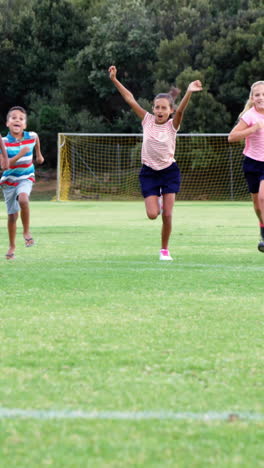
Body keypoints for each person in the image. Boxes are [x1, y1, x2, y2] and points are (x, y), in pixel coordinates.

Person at [108, 65, 203, 260]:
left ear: (170, 110)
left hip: (169, 172)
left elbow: (181, 111)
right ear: (153, 109)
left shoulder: (172, 125)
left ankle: (164, 250)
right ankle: (157, 200)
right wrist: (115, 80)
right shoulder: (147, 120)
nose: (160, 111)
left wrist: (188, 92)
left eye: (164, 108)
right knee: (153, 214)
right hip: (149, 172)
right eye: (157, 107)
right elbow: (130, 99)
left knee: (167, 214)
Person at [0, 106, 44, 260]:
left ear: (25, 125)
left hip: (26, 177)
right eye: (13, 118)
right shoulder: (3, 142)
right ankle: (12, 246)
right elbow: (4, 165)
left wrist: (38, 155)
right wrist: (21, 154)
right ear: (7, 123)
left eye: (21, 118)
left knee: (24, 198)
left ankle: (26, 232)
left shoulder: (31, 136)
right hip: (8, 182)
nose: (17, 120)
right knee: (12, 217)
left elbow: (36, 137)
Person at [228, 81, 264, 252]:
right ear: (252, 98)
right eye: (257, 95)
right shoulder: (249, 116)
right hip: (251, 163)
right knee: (257, 206)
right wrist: (253, 129)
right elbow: (232, 137)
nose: (261, 98)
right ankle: (262, 229)